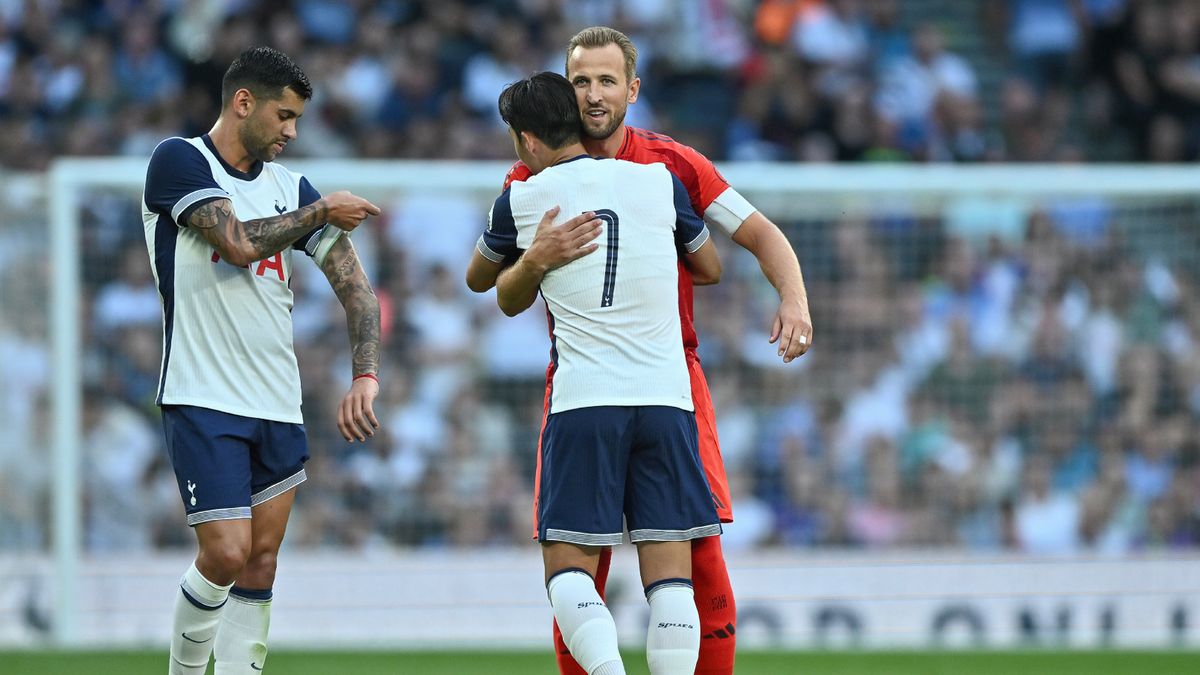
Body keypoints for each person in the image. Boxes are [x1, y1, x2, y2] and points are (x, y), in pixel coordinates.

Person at [465, 26, 813, 675]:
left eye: (605, 80)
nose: (594, 94)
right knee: (617, 563)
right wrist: (536, 261)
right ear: (565, 93)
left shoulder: (672, 162)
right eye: (581, 81)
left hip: (659, 378)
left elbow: (762, 233)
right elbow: (707, 264)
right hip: (620, 382)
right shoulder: (544, 175)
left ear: (633, 88)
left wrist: (793, 296)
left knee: (685, 554)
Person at [141, 46, 383, 674]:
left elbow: (356, 288)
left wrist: (365, 374)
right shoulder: (179, 161)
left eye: (297, 119)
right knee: (224, 552)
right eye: (283, 116)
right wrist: (322, 210)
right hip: (202, 392)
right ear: (243, 103)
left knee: (262, 561)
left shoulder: (289, 187)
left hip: (276, 398)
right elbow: (240, 243)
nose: (291, 132)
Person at [477, 71, 723, 675]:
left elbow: (487, 286)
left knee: (567, 571)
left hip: (585, 401)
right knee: (671, 582)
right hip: (666, 400)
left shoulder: (524, 198)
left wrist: (534, 259)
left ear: (528, 141)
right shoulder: (659, 182)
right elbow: (710, 266)